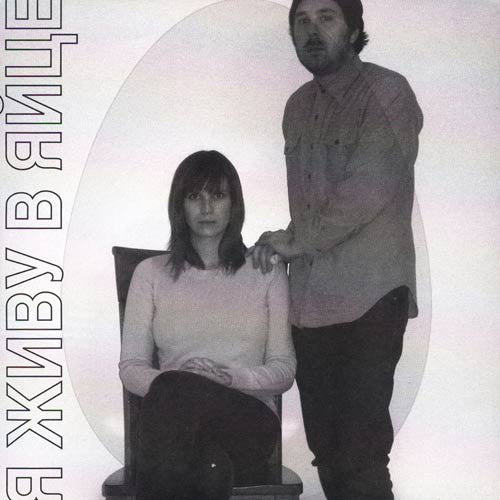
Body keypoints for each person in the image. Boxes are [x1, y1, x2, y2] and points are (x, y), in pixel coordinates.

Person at [250, 1, 423, 499]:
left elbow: (367, 190)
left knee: (360, 452)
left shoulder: (387, 92)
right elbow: (315, 205)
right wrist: (284, 239)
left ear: (353, 29)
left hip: (370, 299)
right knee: (326, 449)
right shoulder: (296, 107)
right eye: (302, 20)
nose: (312, 30)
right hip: (310, 304)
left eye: (326, 17)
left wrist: (296, 241)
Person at [119, 150, 296, 500]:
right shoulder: (150, 274)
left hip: (247, 420)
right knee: (208, 465)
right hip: (174, 422)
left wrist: (228, 378)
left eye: (217, 195)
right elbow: (131, 368)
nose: (206, 207)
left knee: (176, 403)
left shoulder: (265, 272)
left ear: (234, 204)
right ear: (179, 206)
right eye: (194, 196)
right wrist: (182, 384)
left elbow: (284, 370)